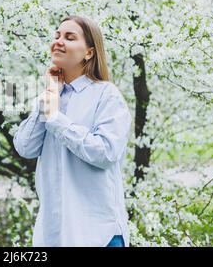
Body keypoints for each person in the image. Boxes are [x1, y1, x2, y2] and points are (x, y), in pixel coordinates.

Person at [13, 15, 132, 247]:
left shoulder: (106, 95)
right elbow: (25, 147)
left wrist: (56, 119)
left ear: (89, 52)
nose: (58, 41)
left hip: (97, 235)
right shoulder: (51, 97)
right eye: (57, 35)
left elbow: (106, 153)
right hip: (53, 235)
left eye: (69, 37)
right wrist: (49, 95)